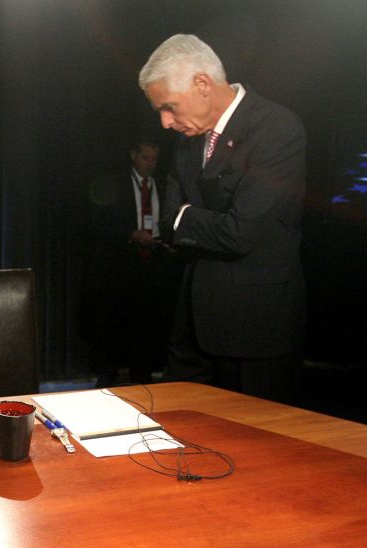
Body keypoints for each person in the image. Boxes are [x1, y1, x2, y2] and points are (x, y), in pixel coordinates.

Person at [139, 34, 306, 402]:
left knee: (253, 448)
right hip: (191, 323)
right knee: (177, 438)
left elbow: (239, 232)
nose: (165, 123)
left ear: (202, 84)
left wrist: (186, 218)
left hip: (252, 328)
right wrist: (188, 220)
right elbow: (168, 221)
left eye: (169, 107)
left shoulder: (276, 128)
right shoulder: (187, 138)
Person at [86, 136, 180, 386]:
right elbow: (97, 223)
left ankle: (144, 377)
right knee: (111, 325)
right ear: (133, 155)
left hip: (152, 265)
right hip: (118, 265)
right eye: (145, 157)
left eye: (155, 159)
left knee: (147, 326)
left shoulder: (163, 181)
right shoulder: (113, 181)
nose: (151, 164)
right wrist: (130, 235)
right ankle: (107, 379)